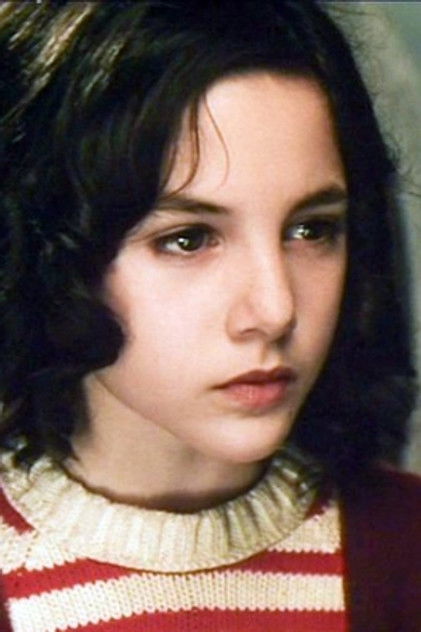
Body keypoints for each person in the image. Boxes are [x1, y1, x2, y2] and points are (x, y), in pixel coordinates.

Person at [0, 1, 419, 630]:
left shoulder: (404, 550)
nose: (275, 310)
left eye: (311, 229)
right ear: (46, 250)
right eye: (188, 239)